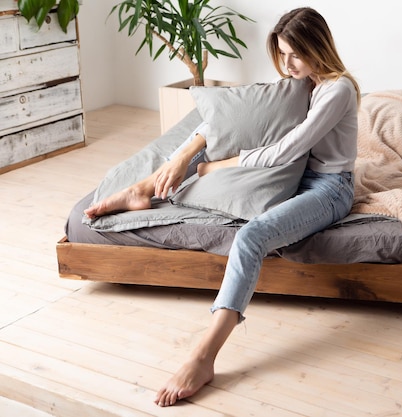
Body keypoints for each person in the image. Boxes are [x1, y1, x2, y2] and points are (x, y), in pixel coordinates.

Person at [85, 7, 360, 407]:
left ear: (318, 47)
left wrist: (222, 165)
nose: (287, 65)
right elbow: (234, 122)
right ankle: (144, 187)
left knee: (251, 236)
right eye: (282, 55)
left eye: (295, 55)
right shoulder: (300, 83)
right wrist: (184, 157)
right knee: (222, 132)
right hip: (295, 174)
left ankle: (203, 356)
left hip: (330, 188)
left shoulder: (338, 89)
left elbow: (289, 149)